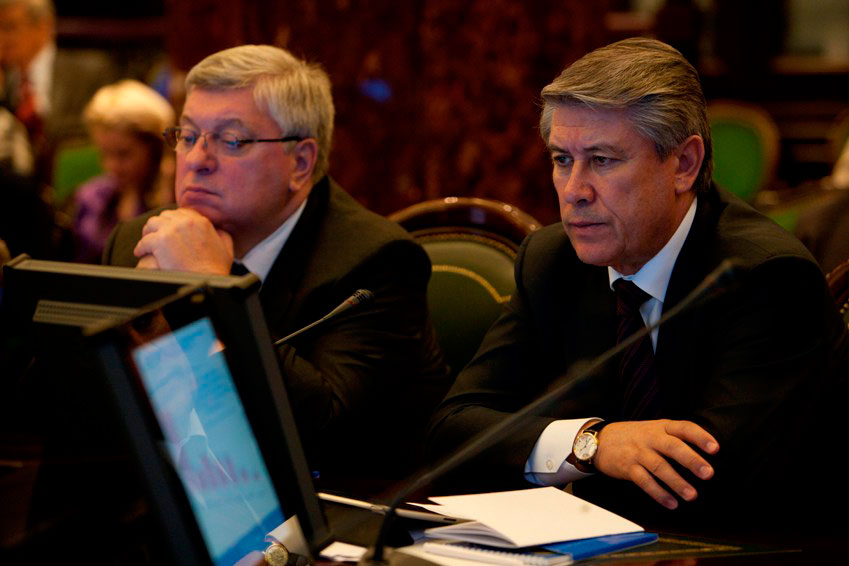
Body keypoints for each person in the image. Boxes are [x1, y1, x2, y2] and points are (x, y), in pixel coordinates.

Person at [427, 38, 849, 532]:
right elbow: (452, 429)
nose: (574, 191)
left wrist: (557, 457)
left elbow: (705, 484)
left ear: (684, 164)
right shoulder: (553, 260)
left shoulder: (765, 277)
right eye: (562, 160)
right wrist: (591, 444)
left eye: (602, 160)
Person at [102, 44, 448, 482]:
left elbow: (322, 431)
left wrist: (216, 286)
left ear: (300, 162)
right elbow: (77, 410)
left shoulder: (376, 264)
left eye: (231, 141)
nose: (197, 161)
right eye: (187, 137)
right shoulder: (138, 240)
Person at [0, 0, 118, 177]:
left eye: (10, 27)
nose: (2, 38)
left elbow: (105, 131)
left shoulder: (88, 72)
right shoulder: (5, 82)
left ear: (43, 26)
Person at [72, 79, 175, 263]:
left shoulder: (174, 201)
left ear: (154, 150)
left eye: (123, 154)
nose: (111, 166)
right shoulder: (91, 197)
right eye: (104, 154)